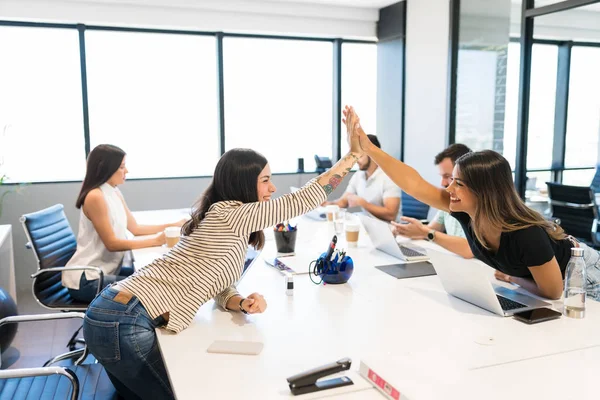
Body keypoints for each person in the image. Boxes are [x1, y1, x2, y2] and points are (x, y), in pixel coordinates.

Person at [82, 116, 364, 399]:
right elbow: (303, 199)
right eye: (265, 180)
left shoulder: (225, 220)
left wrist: (240, 302)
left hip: (113, 314)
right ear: (243, 184)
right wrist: (351, 156)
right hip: (123, 317)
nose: (273, 188)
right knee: (183, 392)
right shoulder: (231, 214)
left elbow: (218, 286)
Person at [343, 106, 600, 301]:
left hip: (587, 275)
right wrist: (368, 147)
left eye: (459, 184)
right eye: (451, 180)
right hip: (556, 284)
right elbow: (414, 184)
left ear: (483, 192)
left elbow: (553, 291)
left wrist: (512, 278)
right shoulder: (469, 212)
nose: (449, 188)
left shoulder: (525, 233)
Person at [63, 144, 185, 303]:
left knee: (157, 276)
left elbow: (135, 228)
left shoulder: (113, 191)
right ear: (106, 169)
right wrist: (156, 240)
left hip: (104, 273)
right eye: (121, 167)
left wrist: (173, 225)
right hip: (88, 281)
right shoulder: (95, 197)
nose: (126, 171)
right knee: (153, 289)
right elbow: (112, 244)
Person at [391, 144, 474, 258]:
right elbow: (428, 230)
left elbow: (469, 248)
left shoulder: (476, 205)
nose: (443, 183)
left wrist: (428, 233)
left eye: (448, 176)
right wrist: (405, 230)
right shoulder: (449, 200)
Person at [324, 134, 401, 222]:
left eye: (360, 156)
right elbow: (343, 201)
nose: (356, 161)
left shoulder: (389, 177)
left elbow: (391, 215)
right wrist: (328, 204)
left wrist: (363, 203)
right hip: (368, 225)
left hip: (389, 230)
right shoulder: (358, 175)